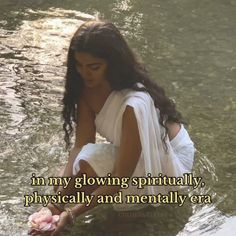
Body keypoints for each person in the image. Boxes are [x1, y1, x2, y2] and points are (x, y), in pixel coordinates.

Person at [29, 20, 195, 236]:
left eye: (94, 67)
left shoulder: (132, 104)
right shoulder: (87, 90)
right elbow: (81, 146)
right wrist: (56, 202)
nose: (85, 74)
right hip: (135, 149)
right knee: (69, 178)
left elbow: (121, 178)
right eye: (79, 65)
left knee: (104, 194)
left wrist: (71, 214)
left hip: (170, 158)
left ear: (112, 63)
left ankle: (135, 216)